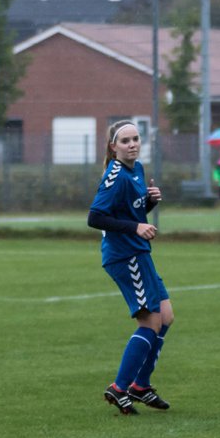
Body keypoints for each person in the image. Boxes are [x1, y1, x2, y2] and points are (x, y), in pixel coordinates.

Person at [87, 119, 174, 415]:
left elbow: (130, 210)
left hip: (139, 253)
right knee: (150, 323)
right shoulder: (114, 175)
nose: (133, 144)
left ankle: (141, 386)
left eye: (136, 138)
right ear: (114, 147)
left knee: (166, 316)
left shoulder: (136, 169)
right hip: (124, 258)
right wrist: (137, 227)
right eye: (125, 141)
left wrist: (148, 204)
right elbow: (96, 217)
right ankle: (119, 387)